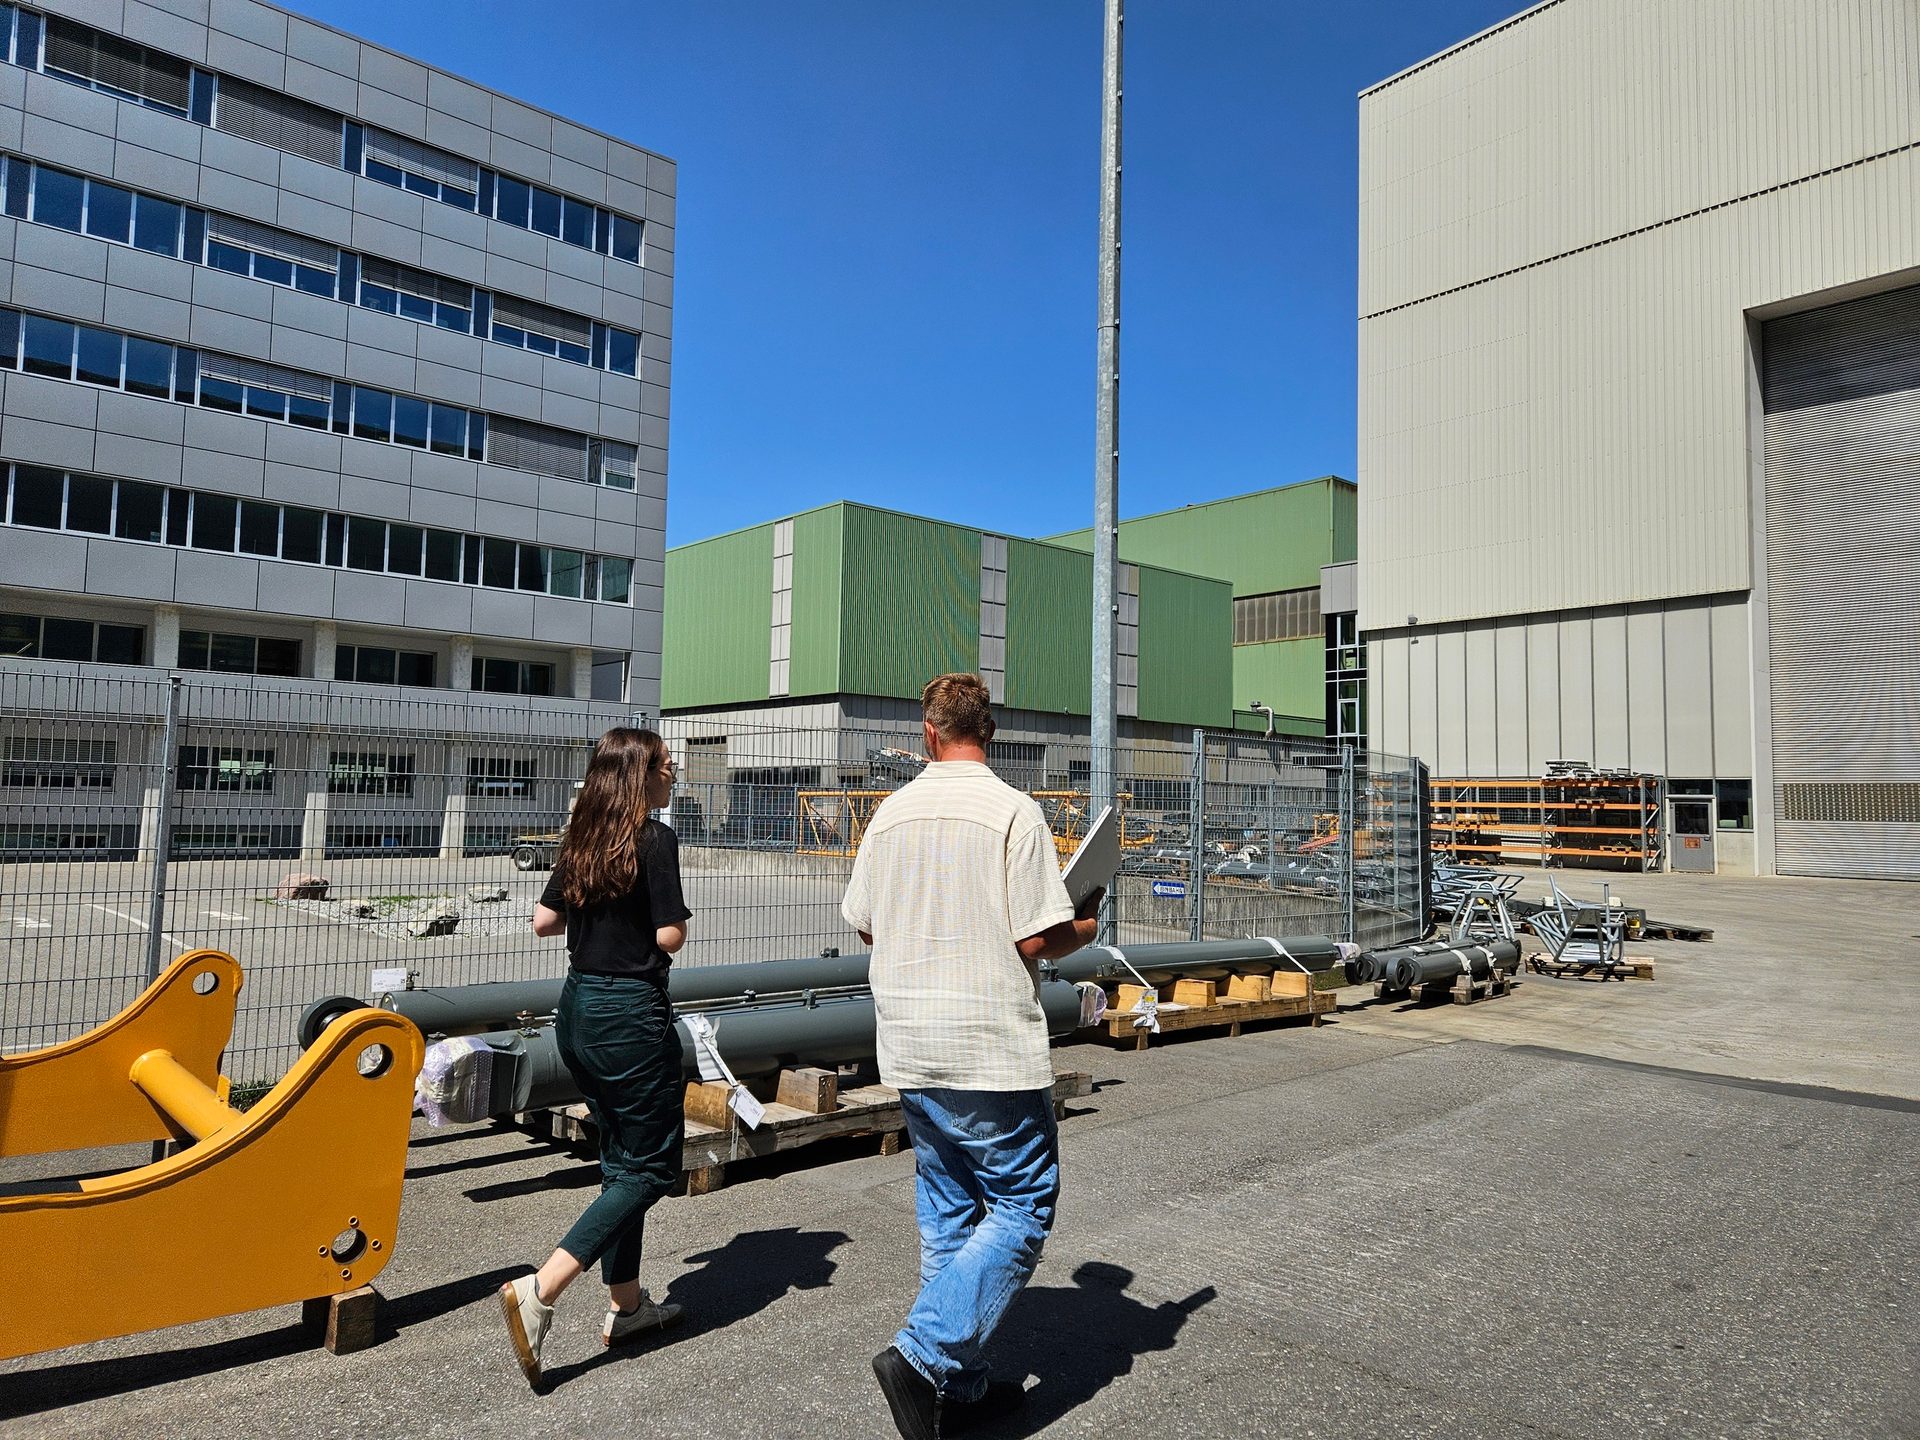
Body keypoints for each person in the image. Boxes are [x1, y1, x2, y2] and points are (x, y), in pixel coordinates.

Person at [842, 673, 1103, 1440]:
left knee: (950, 1212)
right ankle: (924, 1356)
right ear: (988, 732)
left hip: (910, 1041)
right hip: (987, 1042)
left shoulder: (888, 815)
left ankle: (960, 1387)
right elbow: (1035, 939)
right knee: (1023, 1203)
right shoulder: (1013, 812)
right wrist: (1083, 926)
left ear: (928, 733)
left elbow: (864, 924)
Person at [498, 727, 692, 1390]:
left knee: (621, 1163)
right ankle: (541, 1289)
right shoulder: (655, 838)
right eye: (667, 764)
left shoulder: (582, 837)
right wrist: (656, 924)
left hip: (578, 1008)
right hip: (631, 1014)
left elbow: (543, 922)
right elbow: (670, 933)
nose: (675, 771)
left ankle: (628, 1306)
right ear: (641, 774)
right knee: (653, 1167)